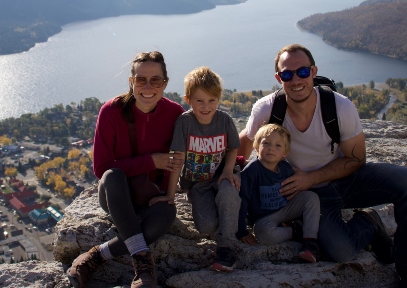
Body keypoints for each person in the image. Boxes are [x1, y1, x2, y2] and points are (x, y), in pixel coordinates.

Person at [239, 44, 407, 286]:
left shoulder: (339, 106)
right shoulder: (267, 109)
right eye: (287, 74)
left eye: (303, 72)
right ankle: (368, 223)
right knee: (342, 251)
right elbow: (245, 142)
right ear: (279, 78)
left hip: (345, 179)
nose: (296, 80)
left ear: (314, 71)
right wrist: (233, 178)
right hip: (308, 196)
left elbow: (357, 159)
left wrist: (311, 177)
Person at [66, 51, 185, 288]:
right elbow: (101, 168)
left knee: (166, 216)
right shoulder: (111, 112)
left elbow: (202, 147)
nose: (148, 86)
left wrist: (236, 164)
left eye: (156, 80)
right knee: (112, 175)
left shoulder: (176, 114)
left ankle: (97, 255)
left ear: (165, 84)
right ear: (131, 82)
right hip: (116, 195)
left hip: (152, 198)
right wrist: (152, 161)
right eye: (141, 80)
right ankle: (143, 265)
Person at [169, 66, 241, 272]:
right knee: (206, 227)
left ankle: (227, 248)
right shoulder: (185, 122)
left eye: (211, 100)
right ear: (188, 99)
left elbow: (233, 147)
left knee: (228, 193)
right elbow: (178, 159)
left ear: (218, 99)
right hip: (198, 185)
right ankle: (230, 217)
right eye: (199, 100)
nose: (206, 106)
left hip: (221, 175)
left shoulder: (224, 120)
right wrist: (171, 194)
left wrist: (228, 170)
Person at [238, 123, 320, 263]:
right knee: (264, 235)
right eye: (266, 143)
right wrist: (241, 230)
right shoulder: (252, 171)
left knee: (311, 197)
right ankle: (297, 231)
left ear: (285, 153)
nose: (271, 148)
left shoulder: (286, 168)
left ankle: (310, 241)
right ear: (257, 147)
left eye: (278, 145)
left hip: (285, 211)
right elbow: (242, 200)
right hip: (264, 218)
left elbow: (294, 189)